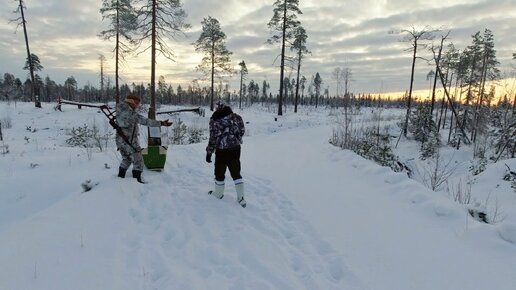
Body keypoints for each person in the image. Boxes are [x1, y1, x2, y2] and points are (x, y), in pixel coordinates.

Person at [116, 94, 172, 183]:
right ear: (131, 102)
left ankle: (120, 178)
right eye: (136, 103)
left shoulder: (120, 109)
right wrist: (162, 123)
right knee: (138, 161)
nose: (137, 105)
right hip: (129, 140)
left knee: (127, 159)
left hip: (120, 140)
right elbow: (145, 121)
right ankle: (136, 182)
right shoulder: (129, 112)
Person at [206, 103, 246, 208]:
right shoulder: (237, 117)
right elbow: (242, 131)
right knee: (236, 172)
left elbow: (213, 138)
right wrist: (234, 138)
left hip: (221, 150)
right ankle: (241, 198)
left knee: (219, 172)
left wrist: (209, 152)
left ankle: (218, 194)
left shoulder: (214, 120)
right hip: (235, 149)